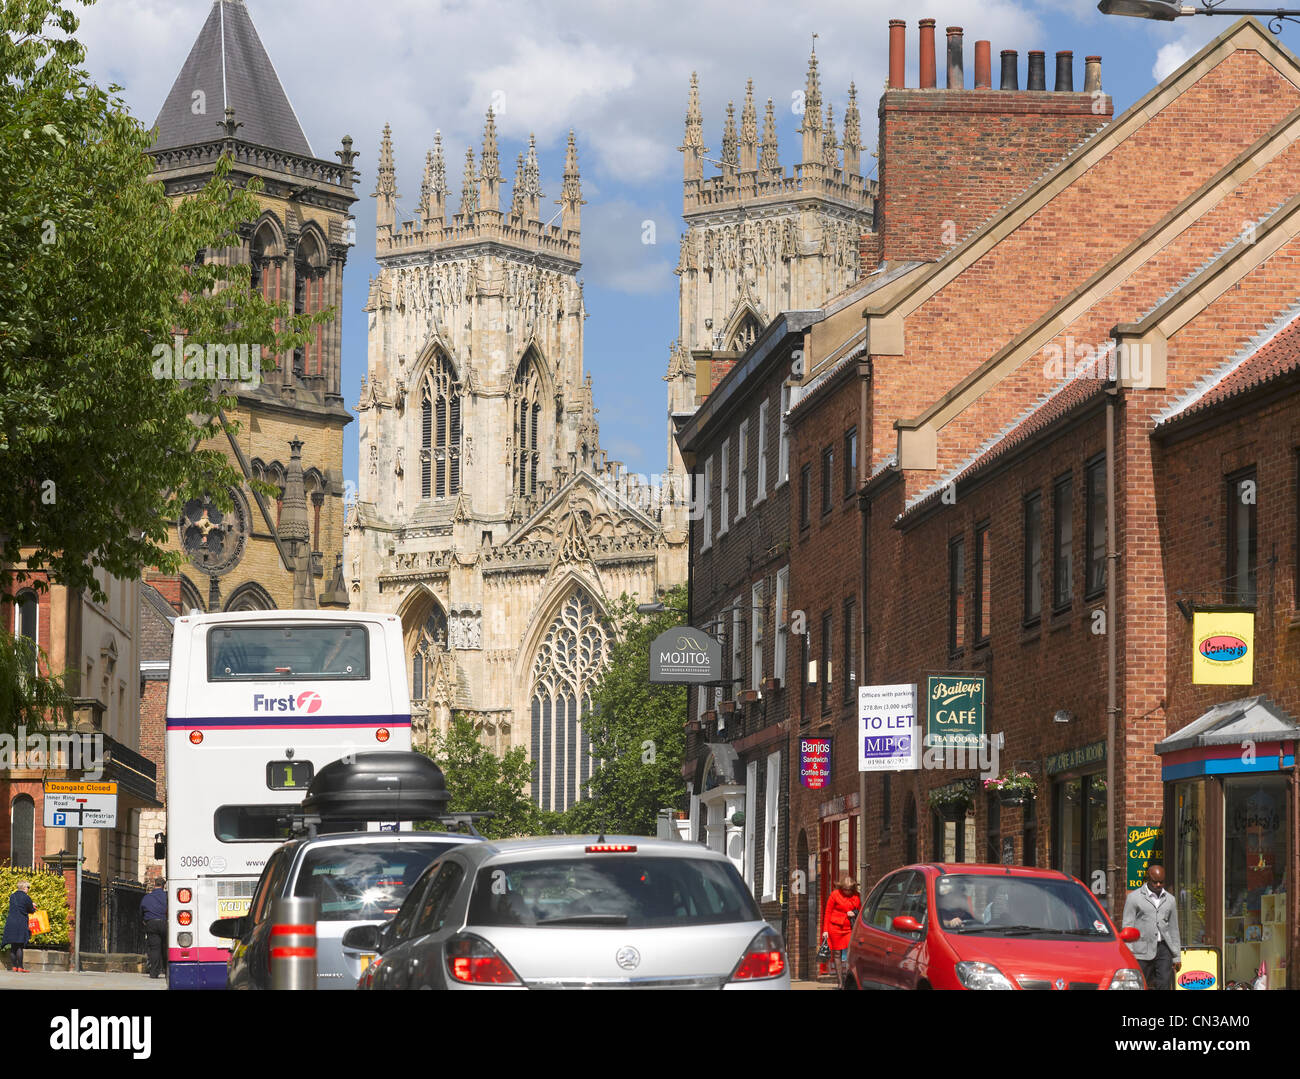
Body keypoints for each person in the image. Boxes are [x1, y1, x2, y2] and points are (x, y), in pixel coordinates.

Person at [1121, 863, 1182, 990]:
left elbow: (1173, 928)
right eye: (1155, 882)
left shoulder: (1170, 900)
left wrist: (1176, 956)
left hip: (1164, 949)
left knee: (1164, 984)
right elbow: (1127, 926)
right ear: (1148, 879)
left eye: (1161, 882)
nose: (1158, 885)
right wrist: (1129, 952)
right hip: (1141, 950)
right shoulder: (1134, 898)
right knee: (1140, 984)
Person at [821, 875, 860, 986]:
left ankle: (849, 979)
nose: (847, 892)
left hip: (849, 929)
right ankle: (840, 982)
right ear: (841, 887)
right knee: (837, 954)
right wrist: (825, 930)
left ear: (853, 888)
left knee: (850, 953)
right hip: (835, 928)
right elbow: (827, 913)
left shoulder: (856, 896)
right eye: (845, 889)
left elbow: (860, 909)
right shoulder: (834, 895)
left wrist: (854, 913)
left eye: (849, 890)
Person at [2, 881, 36, 973]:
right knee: (20, 946)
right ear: (24, 888)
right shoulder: (26, 897)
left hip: (11, 922)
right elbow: (31, 910)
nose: (28, 889)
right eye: (28, 887)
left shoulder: (12, 896)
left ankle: (14, 967)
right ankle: (20, 967)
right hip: (21, 922)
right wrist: (33, 906)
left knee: (13, 946)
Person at [140, 878, 168, 979]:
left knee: (154, 949)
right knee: (165, 948)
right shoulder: (167, 896)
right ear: (163, 885)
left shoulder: (147, 897)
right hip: (165, 923)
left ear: (154, 884)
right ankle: (167, 971)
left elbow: (141, 911)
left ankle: (154, 973)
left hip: (151, 923)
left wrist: (144, 922)